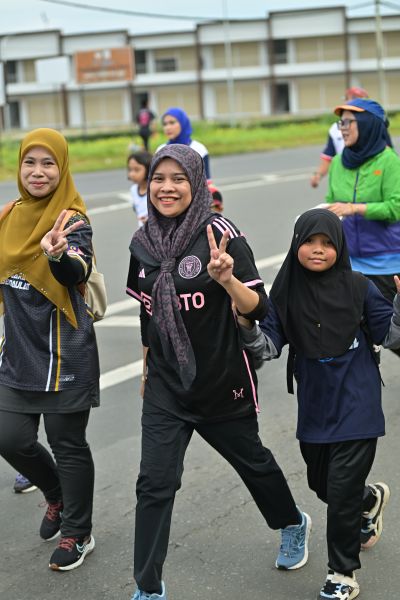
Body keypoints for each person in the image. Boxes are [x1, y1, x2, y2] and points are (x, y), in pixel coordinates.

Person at [126, 144, 311, 600]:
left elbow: (259, 307)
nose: (166, 188)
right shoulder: (142, 241)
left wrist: (226, 279)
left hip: (221, 380)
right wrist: (147, 368)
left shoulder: (220, 234)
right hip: (167, 386)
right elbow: (148, 313)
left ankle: (291, 522)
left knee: (253, 464)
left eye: (178, 179)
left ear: (195, 182)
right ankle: (148, 587)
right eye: (158, 179)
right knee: (154, 483)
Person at [239, 208, 399, 600]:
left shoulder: (360, 287)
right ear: (296, 244)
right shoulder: (286, 293)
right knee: (323, 485)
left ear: (339, 247)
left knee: (340, 492)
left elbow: (390, 336)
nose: (318, 249)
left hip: (358, 403)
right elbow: (267, 347)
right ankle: (368, 499)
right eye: (310, 241)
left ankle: (342, 574)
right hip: (315, 407)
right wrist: (244, 324)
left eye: (327, 243)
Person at [0, 128, 99, 571]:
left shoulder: (72, 219)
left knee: (68, 445)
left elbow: (76, 266)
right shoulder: (8, 216)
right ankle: (56, 493)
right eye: (30, 162)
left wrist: (59, 255)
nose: (37, 172)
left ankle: (78, 532)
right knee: (9, 438)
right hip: (18, 353)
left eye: (48, 164)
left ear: (62, 169)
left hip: (65, 354)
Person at [325, 97, 400, 358]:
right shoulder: (337, 163)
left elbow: (395, 208)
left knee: (394, 334)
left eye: (348, 122)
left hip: (386, 264)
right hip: (350, 265)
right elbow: (332, 202)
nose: (342, 129)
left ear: (368, 124)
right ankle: (366, 379)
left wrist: (354, 208)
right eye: (340, 122)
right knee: (361, 335)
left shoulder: (389, 161)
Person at [310, 87, 369, 188]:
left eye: (355, 98)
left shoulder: (374, 126)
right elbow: (328, 156)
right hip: (345, 181)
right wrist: (318, 175)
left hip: (368, 179)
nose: (349, 101)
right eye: (347, 98)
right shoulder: (335, 129)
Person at [155, 107, 211, 180]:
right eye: (165, 124)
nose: (167, 128)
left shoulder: (198, 149)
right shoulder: (161, 150)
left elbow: (206, 180)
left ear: (183, 123)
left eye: (172, 123)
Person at [127, 151, 153, 228]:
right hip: (142, 231)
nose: (132, 174)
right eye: (130, 170)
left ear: (148, 169)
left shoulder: (154, 190)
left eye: (137, 170)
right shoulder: (133, 189)